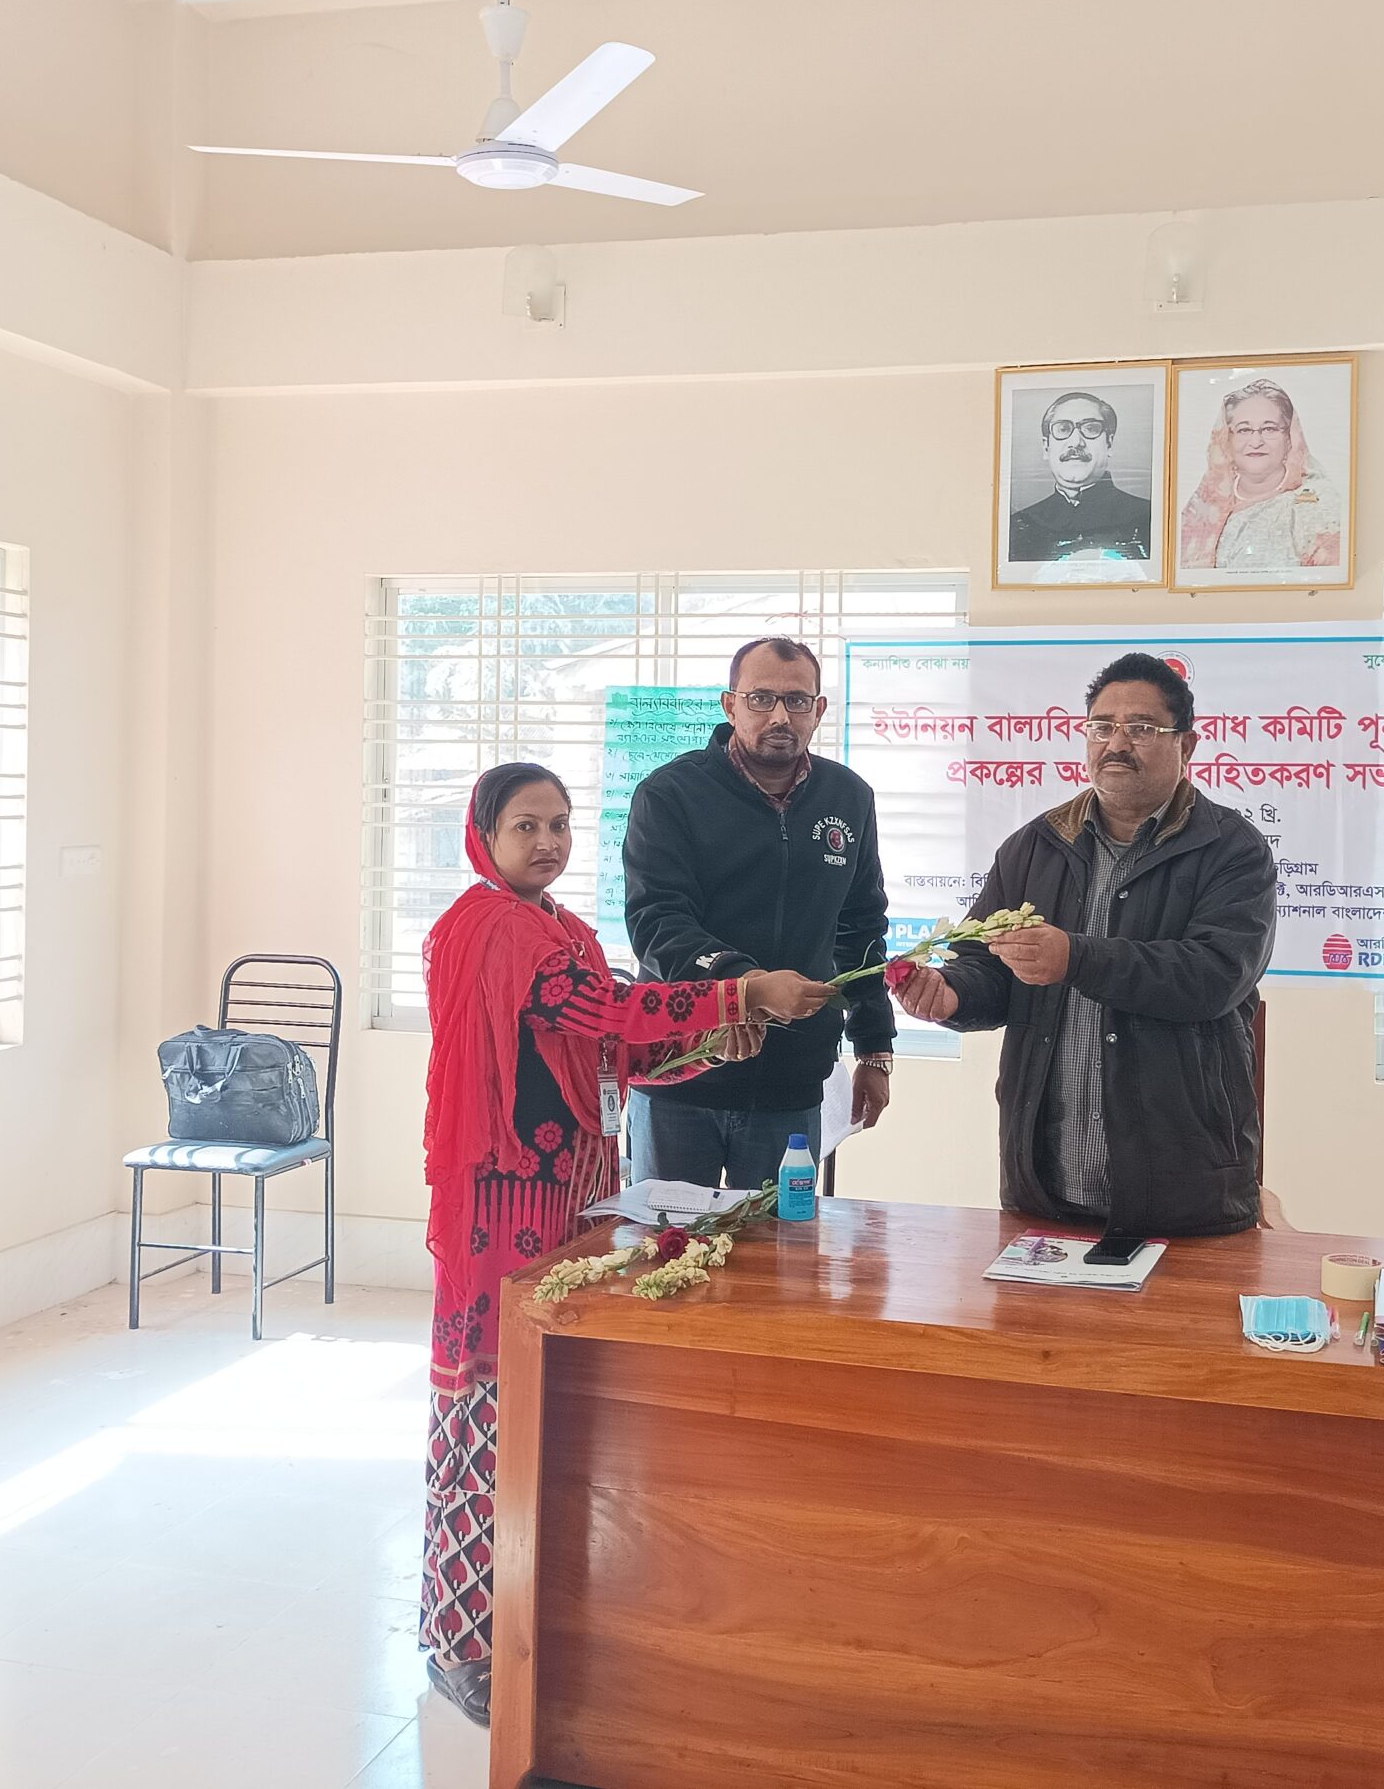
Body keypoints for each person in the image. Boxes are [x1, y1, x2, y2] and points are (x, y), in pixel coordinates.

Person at [418, 761, 830, 1726]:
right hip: (502, 1206)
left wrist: (709, 1038)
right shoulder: (495, 926)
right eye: (526, 826)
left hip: (567, 1195)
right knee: (487, 1412)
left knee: (551, 1410)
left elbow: (611, 1050)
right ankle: (462, 1640)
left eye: (561, 824)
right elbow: (606, 1010)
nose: (548, 842)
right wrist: (739, 992)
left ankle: (539, 1615)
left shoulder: (563, 927)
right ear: (484, 836)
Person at [894, 653, 1277, 1234]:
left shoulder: (1232, 849)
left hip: (1184, 1185)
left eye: (1141, 729)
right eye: (1102, 727)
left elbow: (1213, 976)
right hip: (1044, 1184)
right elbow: (986, 964)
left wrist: (1075, 958)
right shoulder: (1033, 847)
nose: (1117, 744)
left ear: (1188, 745)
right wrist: (951, 995)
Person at [623, 637, 897, 1186]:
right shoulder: (670, 794)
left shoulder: (848, 797)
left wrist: (874, 1048)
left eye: (797, 701)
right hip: (683, 1069)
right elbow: (657, 921)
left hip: (791, 1084)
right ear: (730, 706)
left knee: (781, 1240)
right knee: (668, 1236)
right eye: (761, 698)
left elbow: (861, 927)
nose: (780, 716)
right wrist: (744, 986)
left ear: (818, 710)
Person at [1176, 379, 1344, 573]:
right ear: (1226, 439)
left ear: (1290, 438)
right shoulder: (1204, 506)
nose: (1256, 441)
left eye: (1269, 429)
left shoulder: (1317, 506)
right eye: (1244, 430)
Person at [1007, 390, 1154, 563]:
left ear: (1109, 443)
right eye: (1063, 429)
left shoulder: (1148, 518)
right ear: (1046, 447)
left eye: (1090, 429)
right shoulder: (1019, 525)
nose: (1076, 442)